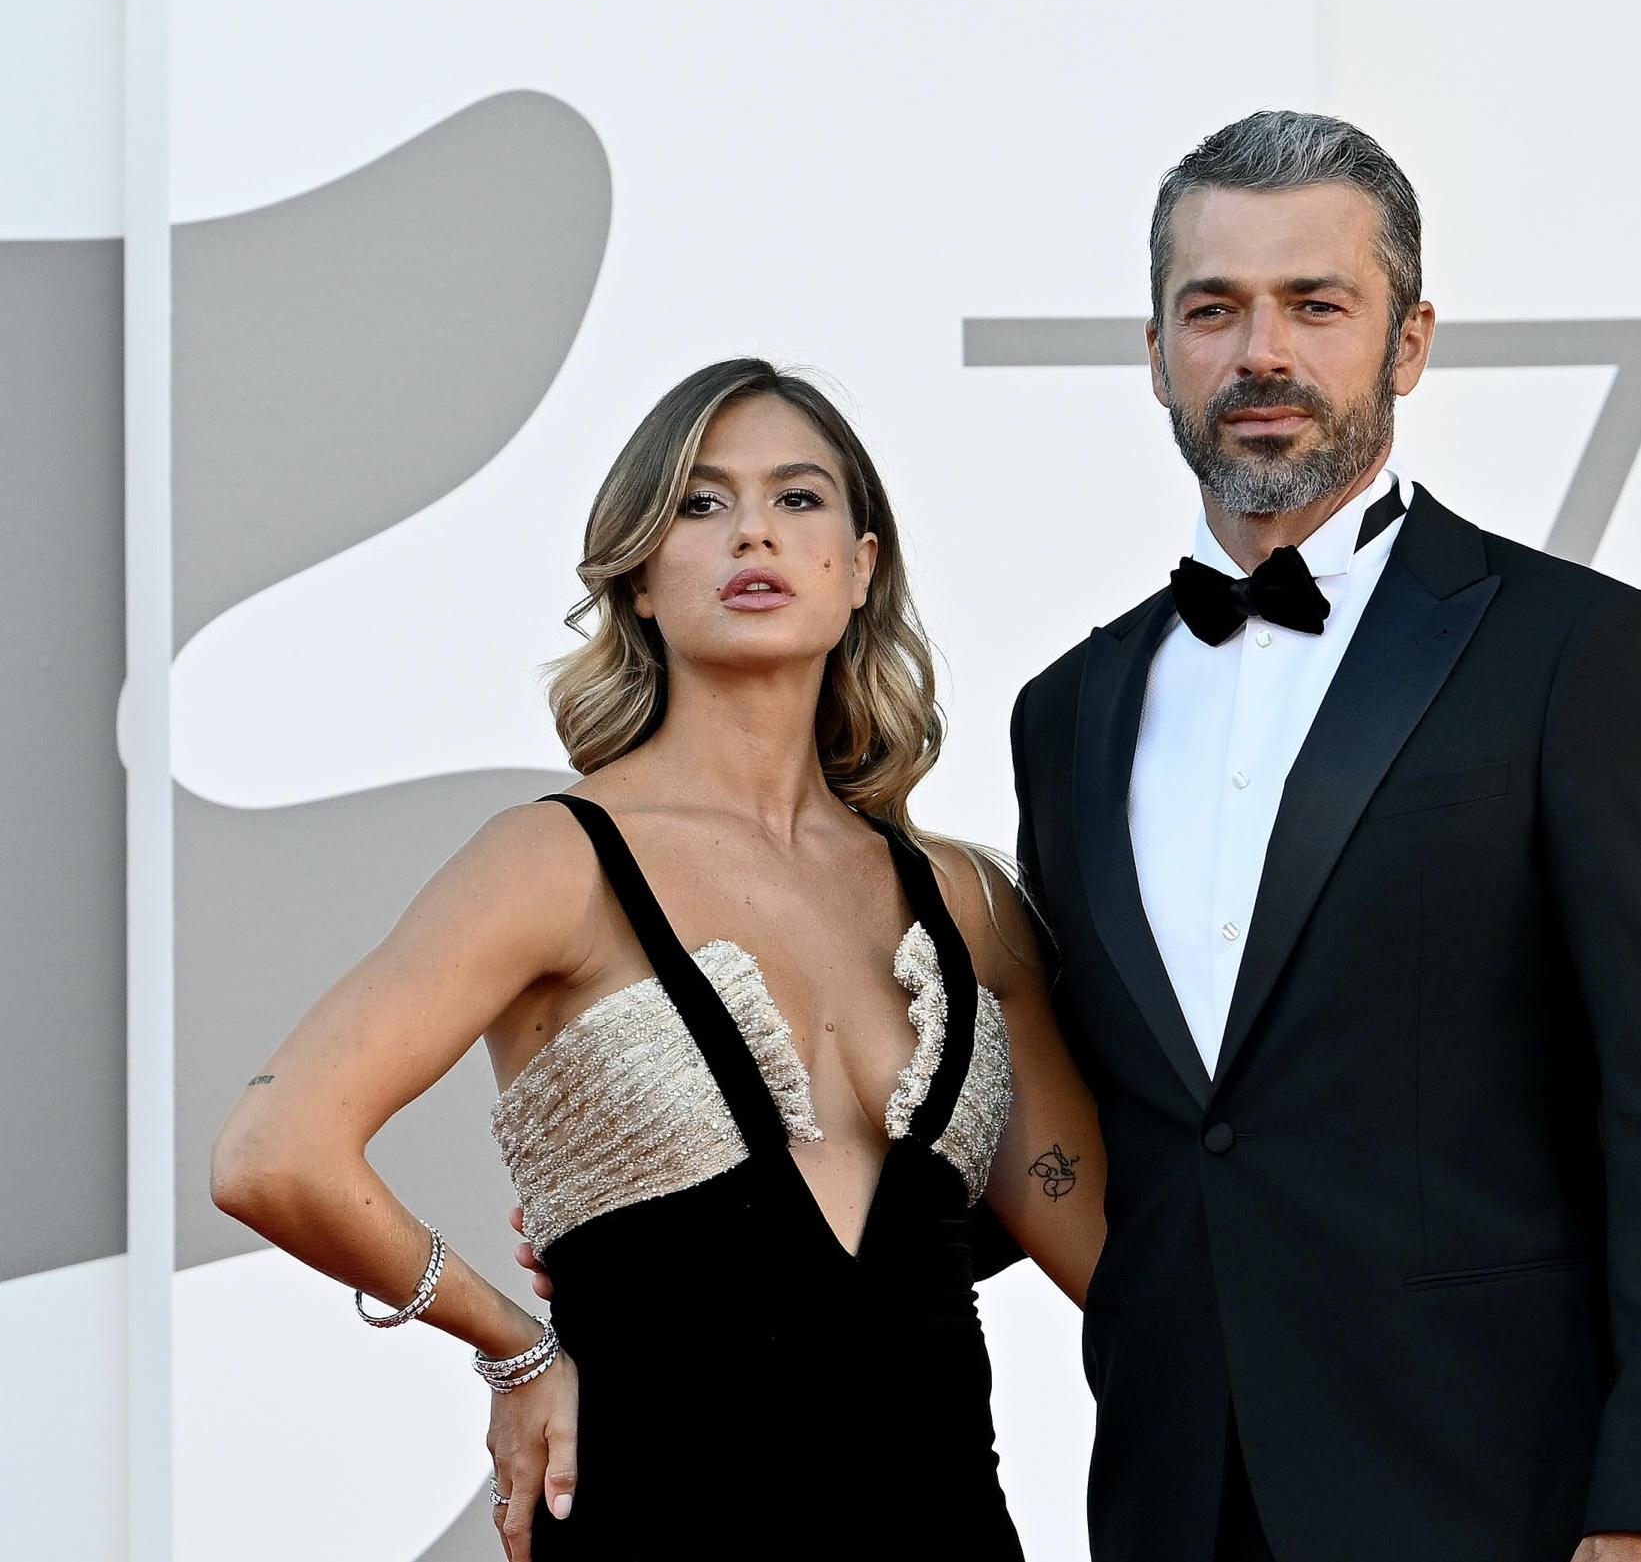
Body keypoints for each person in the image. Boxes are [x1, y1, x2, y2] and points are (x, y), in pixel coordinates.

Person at [1006, 112, 1641, 1561]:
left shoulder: (1577, 654)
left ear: (1407, 343)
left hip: (1492, 1492)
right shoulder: (1070, 709)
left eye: (1316, 304)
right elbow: (1112, 1122)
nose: (1260, 355)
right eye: (1213, 308)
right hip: (1176, 1490)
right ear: (1156, 350)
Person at [211, 358, 1106, 1561]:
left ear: (861, 567)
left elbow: (1105, 1251)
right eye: (699, 501)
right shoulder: (550, 861)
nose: (752, 530)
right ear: (637, 573)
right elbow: (274, 1152)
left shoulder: (966, 901)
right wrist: (514, 1344)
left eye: (798, 498)